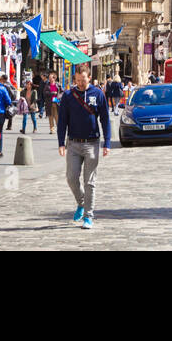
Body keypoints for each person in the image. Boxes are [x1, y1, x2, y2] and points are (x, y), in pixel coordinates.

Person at [57, 64, 111, 229]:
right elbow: (62, 121)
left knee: (89, 182)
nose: (80, 83)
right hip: (73, 143)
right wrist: (61, 143)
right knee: (71, 177)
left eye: (83, 80)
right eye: (78, 80)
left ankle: (89, 216)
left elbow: (105, 119)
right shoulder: (68, 96)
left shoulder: (98, 94)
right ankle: (81, 202)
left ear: (89, 78)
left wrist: (107, 143)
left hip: (92, 143)